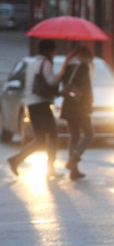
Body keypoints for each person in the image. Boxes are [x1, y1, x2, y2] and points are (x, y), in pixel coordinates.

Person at [8, 39, 62, 178]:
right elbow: (51, 81)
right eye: (54, 50)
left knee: (40, 139)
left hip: (30, 105)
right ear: (50, 50)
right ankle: (50, 168)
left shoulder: (33, 63)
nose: (55, 52)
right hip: (42, 104)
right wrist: (61, 74)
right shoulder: (46, 63)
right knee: (53, 135)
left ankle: (16, 159)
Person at [59, 45, 95, 180]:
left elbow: (64, 85)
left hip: (68, 105)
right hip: (80, 107)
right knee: (89, 134)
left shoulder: (67, 66)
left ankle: (74, 171)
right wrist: (89, 105)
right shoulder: (82, 67)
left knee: (73, 136)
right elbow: (87, 88)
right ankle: (73, 160)